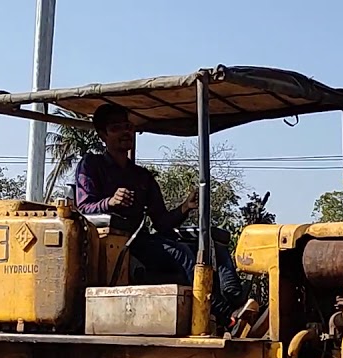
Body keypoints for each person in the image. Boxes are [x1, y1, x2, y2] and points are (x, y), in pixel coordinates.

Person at [74, 103, 244, 326]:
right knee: (180, 252)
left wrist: (184, 208)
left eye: (127, 126)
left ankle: (237, 307)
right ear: (103, 134)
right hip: (115, 243)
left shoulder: (141, 176)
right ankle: (225, 317)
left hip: (143, 240)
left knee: (215, 250)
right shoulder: (92, 165)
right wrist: (110, 202)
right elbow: (84, 207)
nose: (126, 132)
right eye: (116, 128)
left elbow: (162, 223)